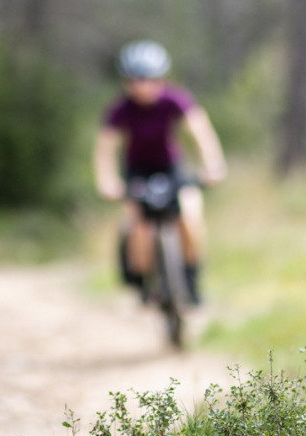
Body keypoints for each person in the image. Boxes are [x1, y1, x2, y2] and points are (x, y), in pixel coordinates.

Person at [93, 40, 227, 304]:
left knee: (190, 217)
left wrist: (212, 165)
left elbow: (201, 132)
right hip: (137, 170)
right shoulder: (121, 109)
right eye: (134, 80)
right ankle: (142, 281)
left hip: (171, 167)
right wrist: (107, 181)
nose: (142, 86)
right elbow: (105, 149)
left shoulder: (175, 100)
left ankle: (191, 281)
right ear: (126, 82)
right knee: (138, 225)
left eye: (148, 79)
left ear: (161, 79)